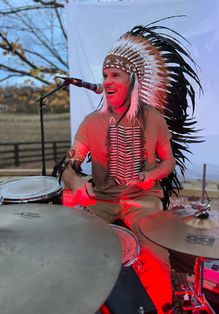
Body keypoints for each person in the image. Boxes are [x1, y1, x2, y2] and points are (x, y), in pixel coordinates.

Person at [56, 19, 201, 314]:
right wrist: (75, 182)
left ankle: (161, 305)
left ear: (132, 81)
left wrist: (153, 175)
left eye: (116, 75)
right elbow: (69, 166)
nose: (107, 81)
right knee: (79, 250)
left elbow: (169, 160)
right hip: (102, 201)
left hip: (142, 200)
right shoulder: (91, 123)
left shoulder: (155, 120)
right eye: (105, 75)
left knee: (155, 256)